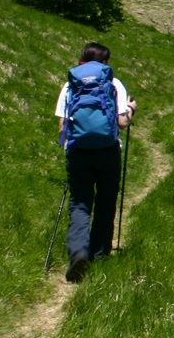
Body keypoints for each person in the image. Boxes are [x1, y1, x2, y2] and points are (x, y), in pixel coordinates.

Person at [54, 41, 137, 282]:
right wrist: (131, 109)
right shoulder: (113, 83)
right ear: (106, 63)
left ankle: (79, 252)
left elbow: (63, 126)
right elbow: (122, 122)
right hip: (108, 151)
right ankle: (99, 255)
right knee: (106, 201)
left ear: (81, 59)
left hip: (78, 151)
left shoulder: (71, 83)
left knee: (80, 203)